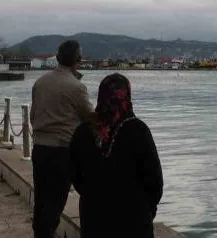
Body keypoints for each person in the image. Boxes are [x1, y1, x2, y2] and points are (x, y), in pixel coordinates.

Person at [69, 73, 163, 238]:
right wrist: (148, 209)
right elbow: (154, 181)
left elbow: (75, 174)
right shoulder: (138, 130)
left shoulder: (83, 131)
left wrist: (93, 194)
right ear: (126, 95)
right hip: (134, 220)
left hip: (94, 219)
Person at [30, 40, 94, 238]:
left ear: (58, 58)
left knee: (41, 201)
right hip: (61, 151)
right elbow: (90, 117)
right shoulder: (76, 87)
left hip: (39, 148)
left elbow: (33, 116)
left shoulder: (40, 82)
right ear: (78, 59)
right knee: (55, 204)